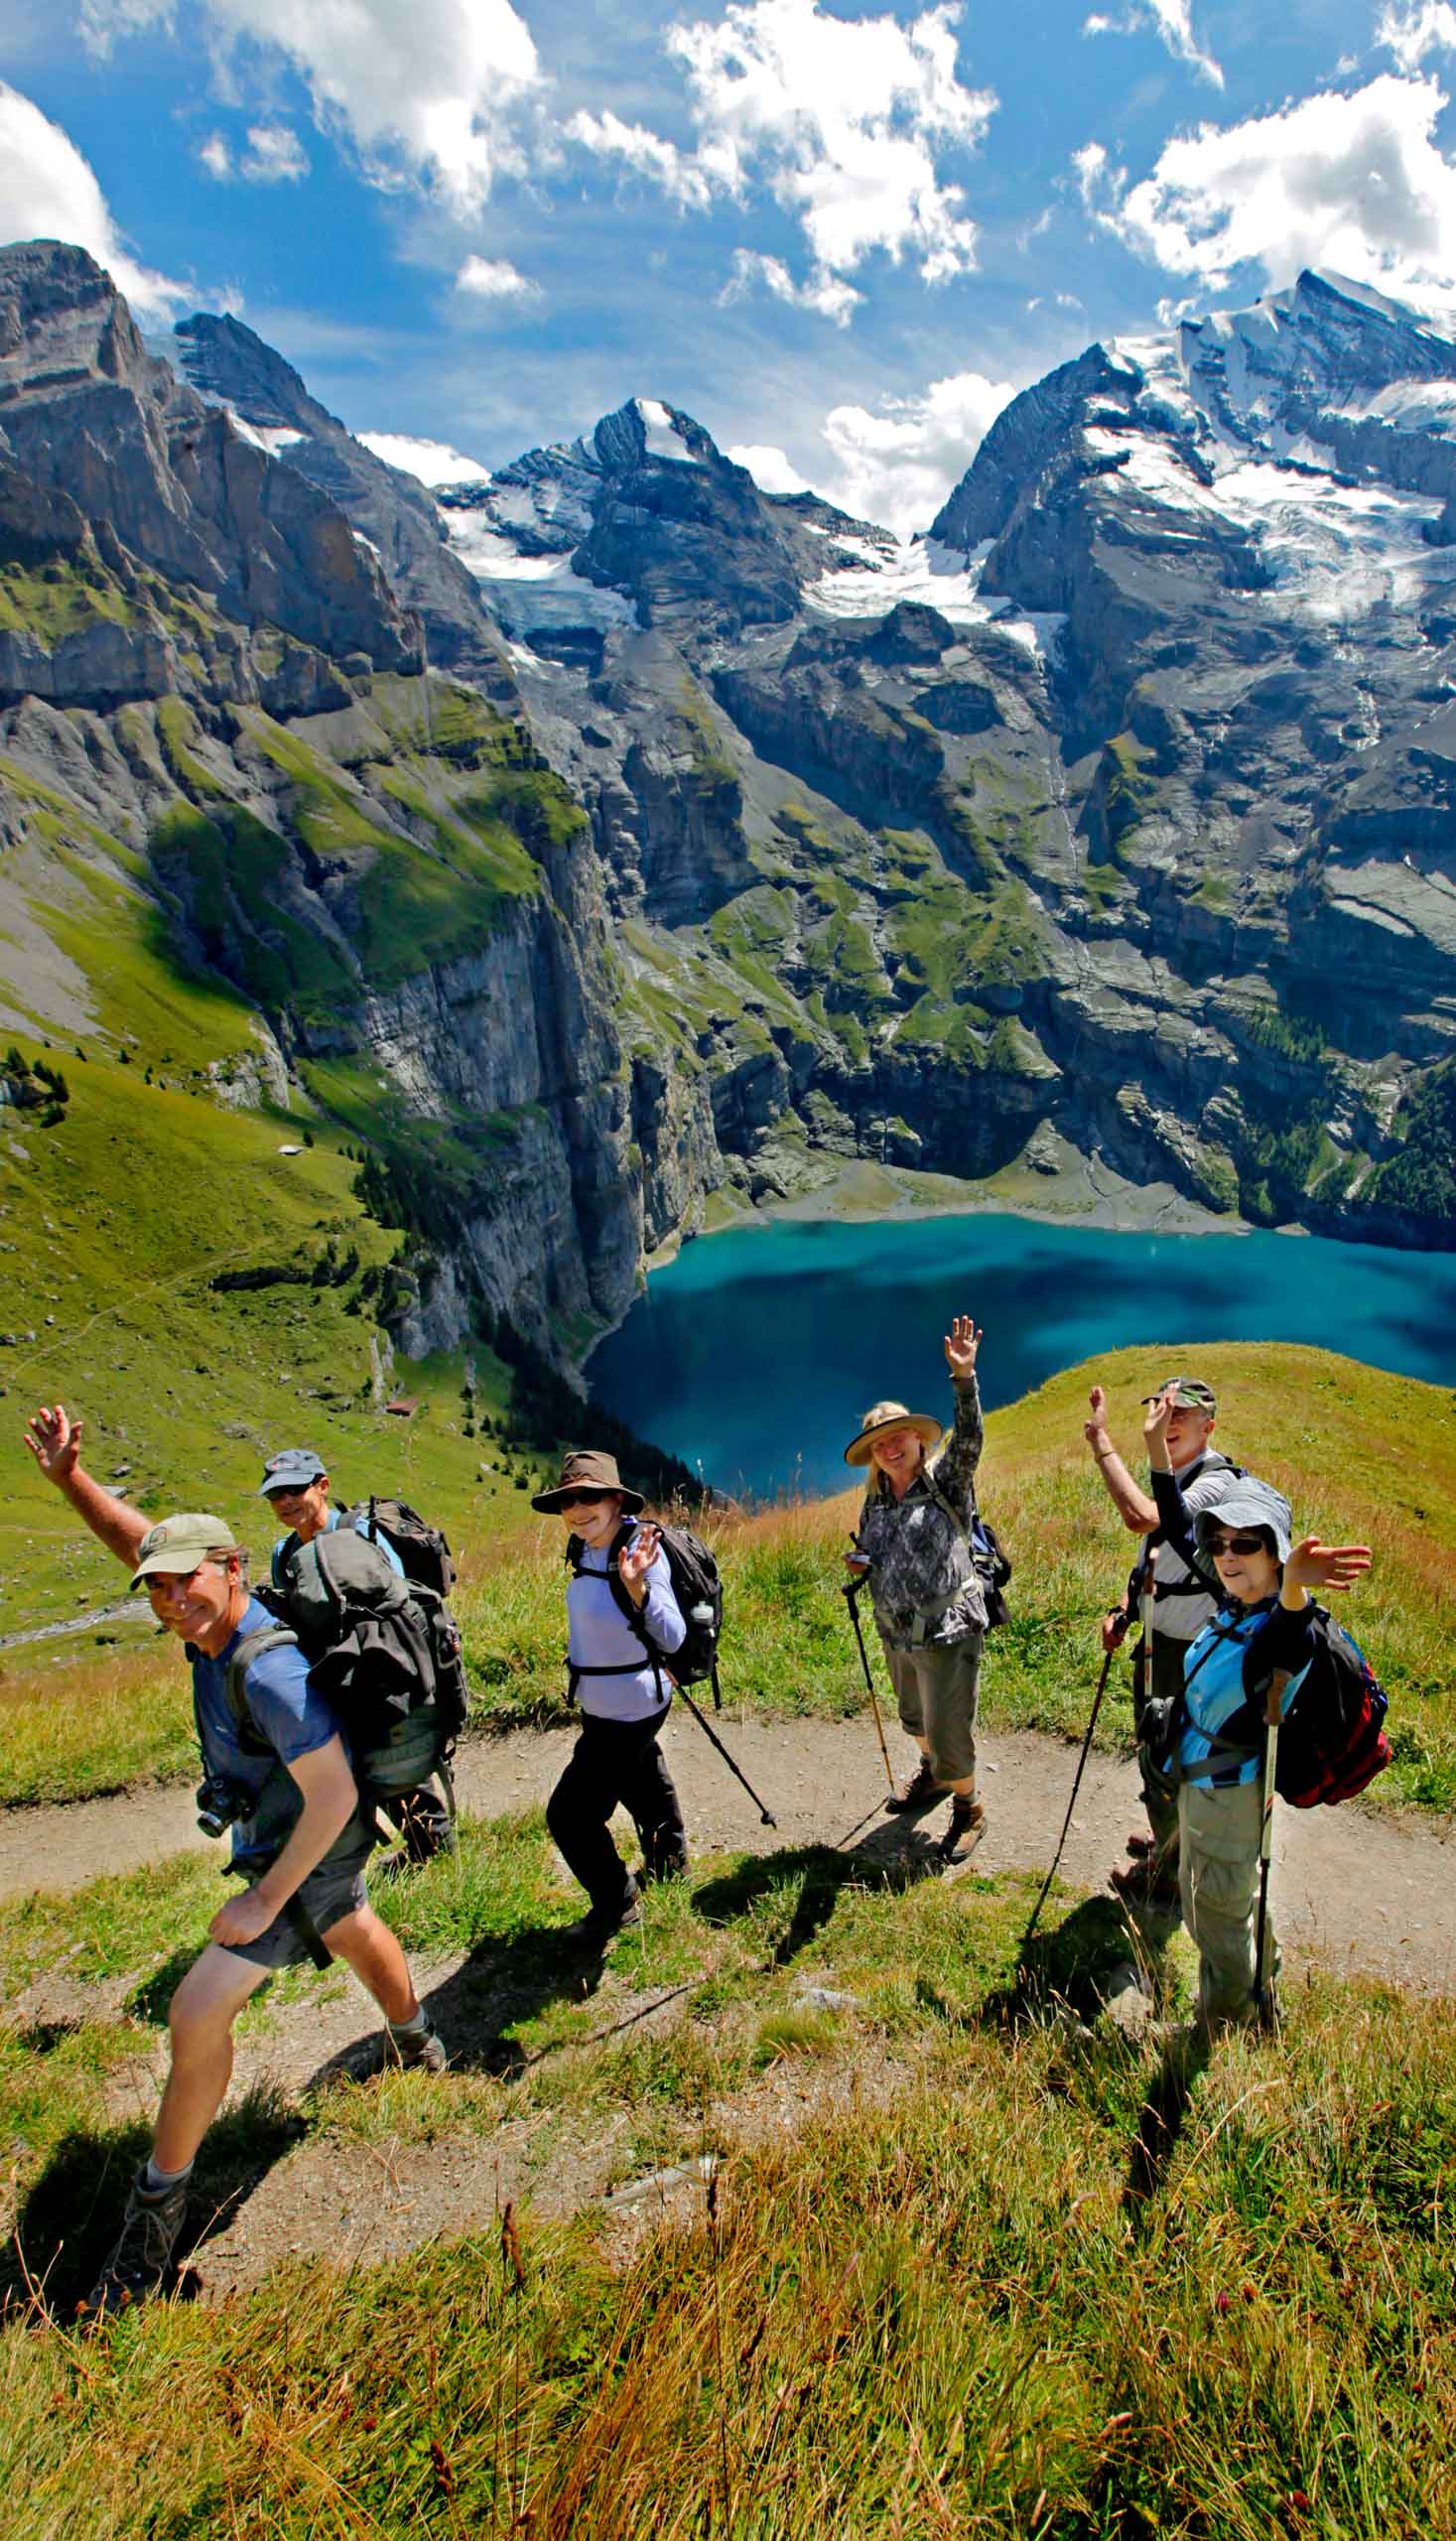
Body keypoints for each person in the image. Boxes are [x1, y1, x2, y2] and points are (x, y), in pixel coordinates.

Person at [23, 1404, 447, 2318]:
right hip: (300, 1845)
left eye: (186, 1581)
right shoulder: (210, 1619)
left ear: (231, 1569)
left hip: (304, 1844)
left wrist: (261, 1902)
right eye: (157, 1589)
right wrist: (71, 1481)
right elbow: (140, 1542)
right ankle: (419, 2041)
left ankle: (151, 2227)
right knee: (350, 1919)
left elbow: (334, 1794)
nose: (170, 1599)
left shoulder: (267, 1670)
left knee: (195, 2009)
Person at [1142, 1385, 1371, 2031]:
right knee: (1228, 1902)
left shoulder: (1276, 1629)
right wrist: (1152, 1450)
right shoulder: (1234, 1603)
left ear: (1276, 1552)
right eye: (1220, 1543)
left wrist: (1294, 1587)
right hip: (1206, 1789)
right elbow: (1174, 1526)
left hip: (1226, 1798)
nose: (1226, 1556)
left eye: (1246, 1544)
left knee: (1212, 1917)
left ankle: (1223, 2025)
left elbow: (1289, 1637)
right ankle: (1261, 1989)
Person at [1084, 1373, 1241, 1909]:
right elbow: (1154, 1558)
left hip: (1190, 1650)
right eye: (1162, 1411)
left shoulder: (1216, 1483)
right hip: (1159, 1638)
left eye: (1182, 1415)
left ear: (1208, 1427)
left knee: (1169, 1755)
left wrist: (1101, 1443)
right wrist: (1126, 1610)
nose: (1169, 1422)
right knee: (1159, 1748)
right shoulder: (1172, 1474)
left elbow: (1144, 1519)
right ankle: (1169, 1839)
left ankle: (1171, 1874)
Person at [260, 1446, 453, 1864]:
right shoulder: (283, 1553)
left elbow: (401, 1598)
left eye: (295, 1490)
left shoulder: (361, 1531)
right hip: (331, 1675)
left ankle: (435, 1848)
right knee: (358, 1765)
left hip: (382, 1666)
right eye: (276, 1495)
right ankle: (414, 1849)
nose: (286, 1501)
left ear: (322, 1486)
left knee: (396, 1761)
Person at [844, 1313, 989, 1866]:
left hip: (949, 1629)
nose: (889, 1447)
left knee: (948, 1731)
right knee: (914, 1719)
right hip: (897, 1633)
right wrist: (862, 1563)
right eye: (879, 1443)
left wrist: (964, 1378)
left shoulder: (946, 1478)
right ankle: (934, 1776)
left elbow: (970, 1437)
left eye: (897, 1435)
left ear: (917, 1437)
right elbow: (878, 1551)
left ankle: (970, 1807)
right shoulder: (876, 1500)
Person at [531, 1449, 689, 1948]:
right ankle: (670, 1863)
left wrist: (638, 1586)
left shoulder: (640, 1551)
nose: (577, 1510)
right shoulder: (584, 1549)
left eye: (590, 1497)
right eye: (568, 1500)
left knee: (570, 1816)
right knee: (641, 1776)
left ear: (617, 1500)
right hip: (610, 1702)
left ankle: (617, 1903)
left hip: (628, 1706)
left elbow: (674, 1636)